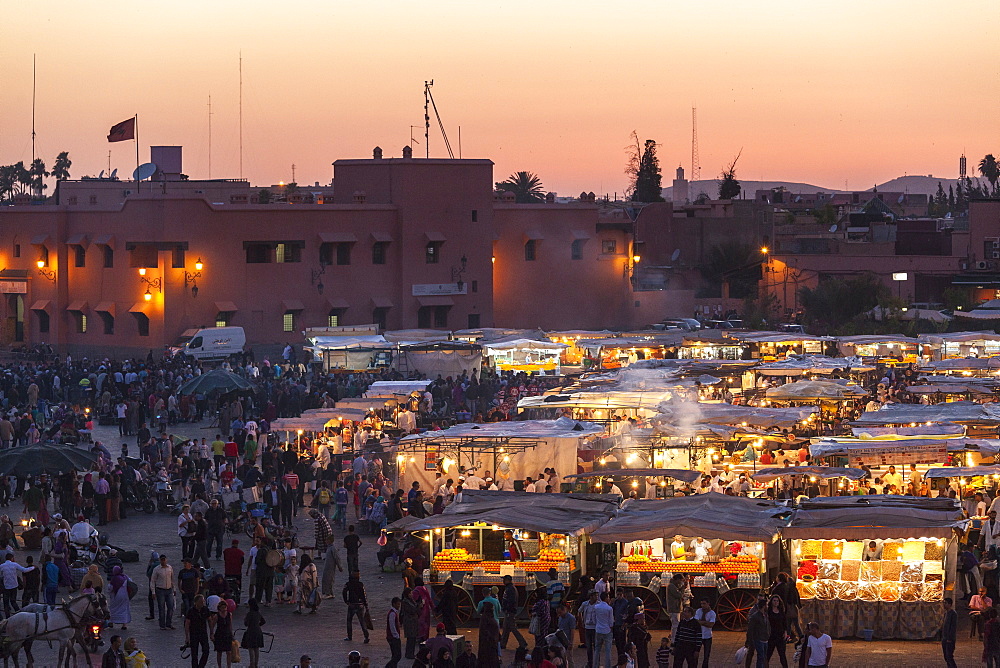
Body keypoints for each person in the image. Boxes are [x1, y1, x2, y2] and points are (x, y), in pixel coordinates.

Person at [501, 574, 528, 651]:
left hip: (510, 611)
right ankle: (503, 644)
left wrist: (508, 609)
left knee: (512, 628)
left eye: (504, 580)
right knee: (506, 628)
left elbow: (511, 601)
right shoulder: (510, 588)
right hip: (509, 611)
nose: (503, 581)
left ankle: (523, 642)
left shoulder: (510, 589)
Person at [185, 594, 213, 668]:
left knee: (206, 651)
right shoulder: (191, 611)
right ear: (196, 602)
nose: (202, 603)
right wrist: (187, 637)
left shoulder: (205, 610)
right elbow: (187, 623)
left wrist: (211, 632)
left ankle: (200, 666)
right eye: (201, 601)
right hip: (194, 634)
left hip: (203, 633)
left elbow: (210, 620)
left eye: (203, 601)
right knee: (194, 654)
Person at [151, 554, 176, 630]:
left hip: (169, 589)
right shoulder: (156, 569)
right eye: (162, 560)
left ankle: (169, 623)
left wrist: (174, 589)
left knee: (170, 607)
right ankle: (162, 625)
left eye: (164, 559)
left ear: (166, 560)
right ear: (160, 560)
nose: (163, 561)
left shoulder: (170, 568)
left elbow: (172, 579)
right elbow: (153, 581)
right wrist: (153, 592)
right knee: (161, 608)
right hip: (160, 590)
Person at [343, 571, 370, 643]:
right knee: (362, 621)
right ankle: (366, 636)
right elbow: (363, 595)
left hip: (352, 604)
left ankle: (350, 636)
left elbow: (344, 592)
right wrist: (366, 605)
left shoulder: (348, 584)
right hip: (360, 604)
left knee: (349, 621)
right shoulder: (360, 584)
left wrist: (346, 601)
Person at [240, 598, 266, 668]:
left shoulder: (249, 614)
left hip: (251, 631)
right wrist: (258, 625)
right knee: (256, 648)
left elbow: (246, 624)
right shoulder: (258, 613)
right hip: (258, 631)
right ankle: (256, 664)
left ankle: (252, 664)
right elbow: (263, 621)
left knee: (251, 648)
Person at [744, 599, 769, 668]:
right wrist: (749, 640)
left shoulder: (765, 615)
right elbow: (750, 629)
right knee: (761, 656)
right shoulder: (755, 616)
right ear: (764, 606)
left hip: (764, 638)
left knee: (763, 656)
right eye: (766, 605)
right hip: (759, 638)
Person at [764, 595, 787, 668]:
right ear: (771, 602)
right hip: (771, 636)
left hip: (780, 636)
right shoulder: (768, 612)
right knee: (768, 654)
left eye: (777, 601)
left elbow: (784, 623)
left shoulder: (781, 612)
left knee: (782, 655)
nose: (776, 602)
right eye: (774, 600)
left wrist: (785, 632)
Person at [594, 592, 615, 668]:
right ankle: (608, 666)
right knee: (608, 650)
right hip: (607, 630)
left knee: (597, 649)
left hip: (598, 629)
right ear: (606, 598)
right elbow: (611, 621)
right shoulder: (609, 608)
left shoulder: (596, 607)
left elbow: (594, 618)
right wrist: (611, 628)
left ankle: (595, 665)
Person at [108, 566, 132, 630]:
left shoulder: (114, 579)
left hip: (116, 596)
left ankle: (111, 622)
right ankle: (124, 624)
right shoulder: (125, 577)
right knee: (124, 610)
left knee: (113, 609)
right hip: (125, 596)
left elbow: (110, 588)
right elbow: (131, 584)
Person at [692, 599, 714, 668]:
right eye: (701, 604)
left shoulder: (712, 613)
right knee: (695, 654)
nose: (702, 605)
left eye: (704, 604)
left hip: (707, 636)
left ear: (708, 604)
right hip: (699, 635)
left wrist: (701, 622)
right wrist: (706, 623)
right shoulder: (699, 611)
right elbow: (696, 622)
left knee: (706, 656)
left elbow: (711, 624)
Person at [213, 599, 234, 668]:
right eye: (222, 607)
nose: (224, 609)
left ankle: (229, 666)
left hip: (227, 635)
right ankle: (219, 666)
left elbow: (230, 625)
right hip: (219, 635)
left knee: (229, 652)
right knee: (219, 652)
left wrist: (232, 633)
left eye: (225, 607)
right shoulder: (217, 616)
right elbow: (212, 625)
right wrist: (212, 634)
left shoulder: (229, 614)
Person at [557, 603, 577, 668]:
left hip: (567, 640)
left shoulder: (571, 618)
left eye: (560, 613)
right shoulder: (560, 618)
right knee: (562, 658)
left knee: (569, 658)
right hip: (561, 640)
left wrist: (571, 642)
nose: (559, 614)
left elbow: (572, 631)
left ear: (564, 610)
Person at [940, 598, 957, 668]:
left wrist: (950, 638)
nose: (944, 605)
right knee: (946, 656)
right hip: (944, 638)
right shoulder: (946, 613)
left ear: (950, 604)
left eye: (945, 603)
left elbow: (953, 627)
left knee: (949, 656)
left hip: (949, 639)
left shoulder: (953, 614)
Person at [386, 595, 403, 668]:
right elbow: (392, 626)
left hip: (392, 637)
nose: (399, 606)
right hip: (393, 637)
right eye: (398, 604)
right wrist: (396, 636)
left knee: (394, 655)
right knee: (397, 655)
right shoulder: (392, 614)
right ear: (394, 604)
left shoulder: (393, 613)